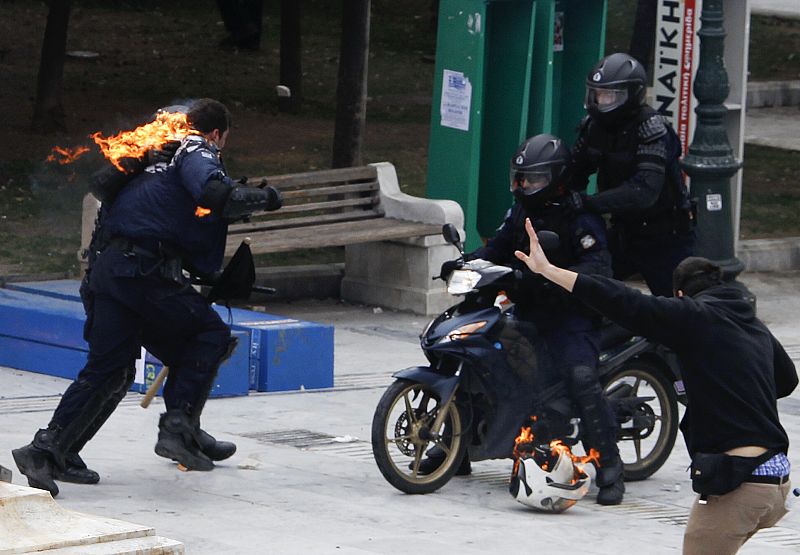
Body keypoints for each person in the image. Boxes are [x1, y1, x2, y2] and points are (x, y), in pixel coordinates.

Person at [12, 99, 283, 497]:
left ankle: (47, 450)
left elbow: (155, 219)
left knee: (111, 369)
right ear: (216, 133)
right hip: (142, 274)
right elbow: (215, 193)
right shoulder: (195, 149)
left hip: (109, 272)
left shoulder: (148, 159)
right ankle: (178, 429)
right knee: (209, 336)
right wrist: (269, 197)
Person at [515, 219, 797, 553]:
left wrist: (549, 271)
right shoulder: (752, 324)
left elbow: (624, 300)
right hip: (776, 483)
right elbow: (787, 380)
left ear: (680, 295)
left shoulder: (692, 316)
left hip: (740, 482)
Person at [425, 134, 626, 505]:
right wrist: (465, 262)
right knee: (478, 361)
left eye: (534, 179)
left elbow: (597, 269)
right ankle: (457, 447)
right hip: (527, 309)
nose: (524, 186)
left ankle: (610, 463)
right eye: (520, 178)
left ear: (557, 178)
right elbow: (497, 248)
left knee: (580, 377)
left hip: (571, 316)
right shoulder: (520, 212)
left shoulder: (580, 218)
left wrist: (548, 278)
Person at [567, 52, 695, 297]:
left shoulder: (652, 129)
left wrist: (588, 203)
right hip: (624, 232)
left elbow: (644, 191)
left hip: (666, 237)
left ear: (631, 95)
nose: (601, 101)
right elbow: (575, 171)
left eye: (609, 95)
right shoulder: (594, 127)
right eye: (597, 94)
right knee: (585, 290)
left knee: (679, 307)